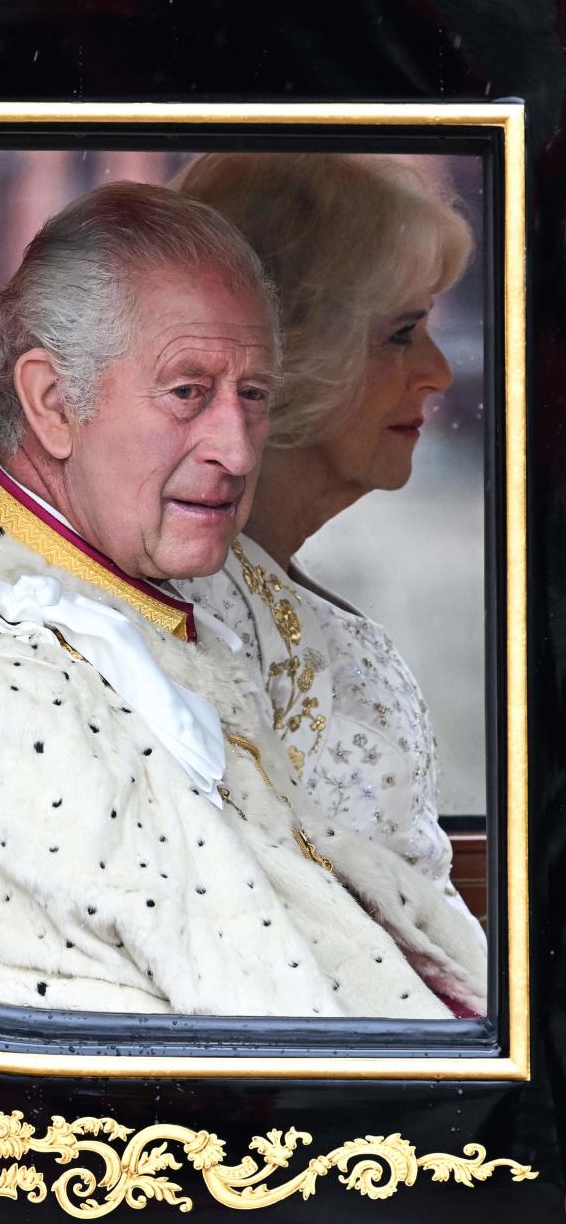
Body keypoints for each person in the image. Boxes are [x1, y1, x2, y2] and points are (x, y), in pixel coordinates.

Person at [0, 181, 485, 1019]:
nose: (238, 449)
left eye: (254, 394)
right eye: (188, 392)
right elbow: (274, 1037)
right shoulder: (9, 680)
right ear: (54, 402)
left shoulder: (89, 573)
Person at [177, 153, 479, 915]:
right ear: (293, 350)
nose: (439, 372)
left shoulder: (260, 590)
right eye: (403, 334)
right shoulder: (193, 623)